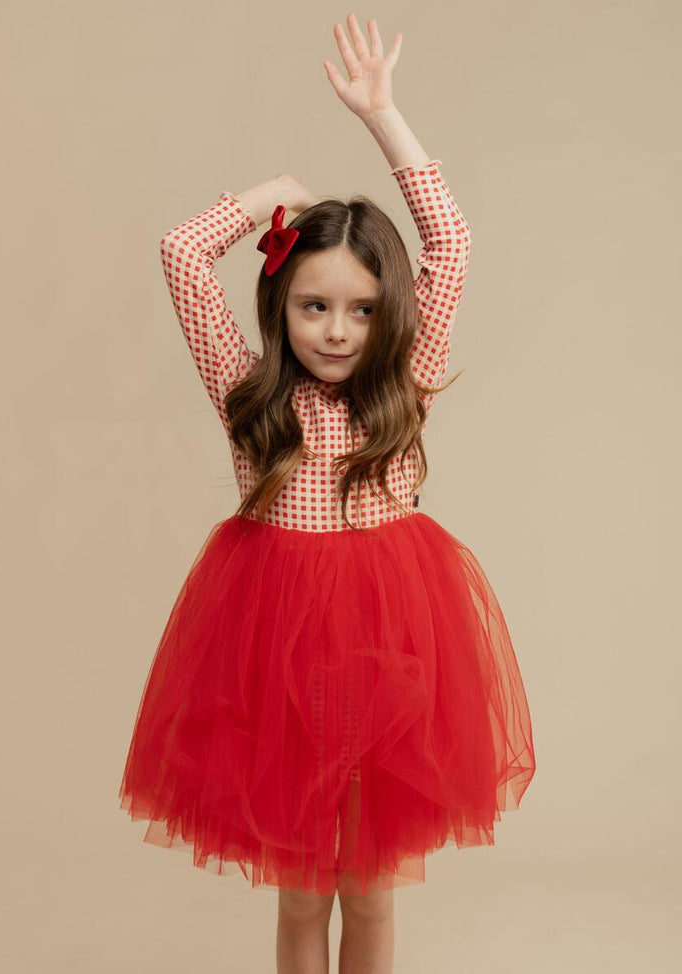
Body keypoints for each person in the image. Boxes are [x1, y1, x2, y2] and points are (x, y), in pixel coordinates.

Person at [119, 13, 536, 974]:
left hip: (389, 644)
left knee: (373, 893)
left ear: (389, 316)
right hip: (275, 649)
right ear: (281, 306)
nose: (338, 331)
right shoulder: (250, 394)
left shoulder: (406, 379)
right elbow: (184, 253)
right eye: (314, 305)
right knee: (303, 895)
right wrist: (269, 195)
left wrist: (383, 119)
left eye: (361, 308)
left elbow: (453, 243)